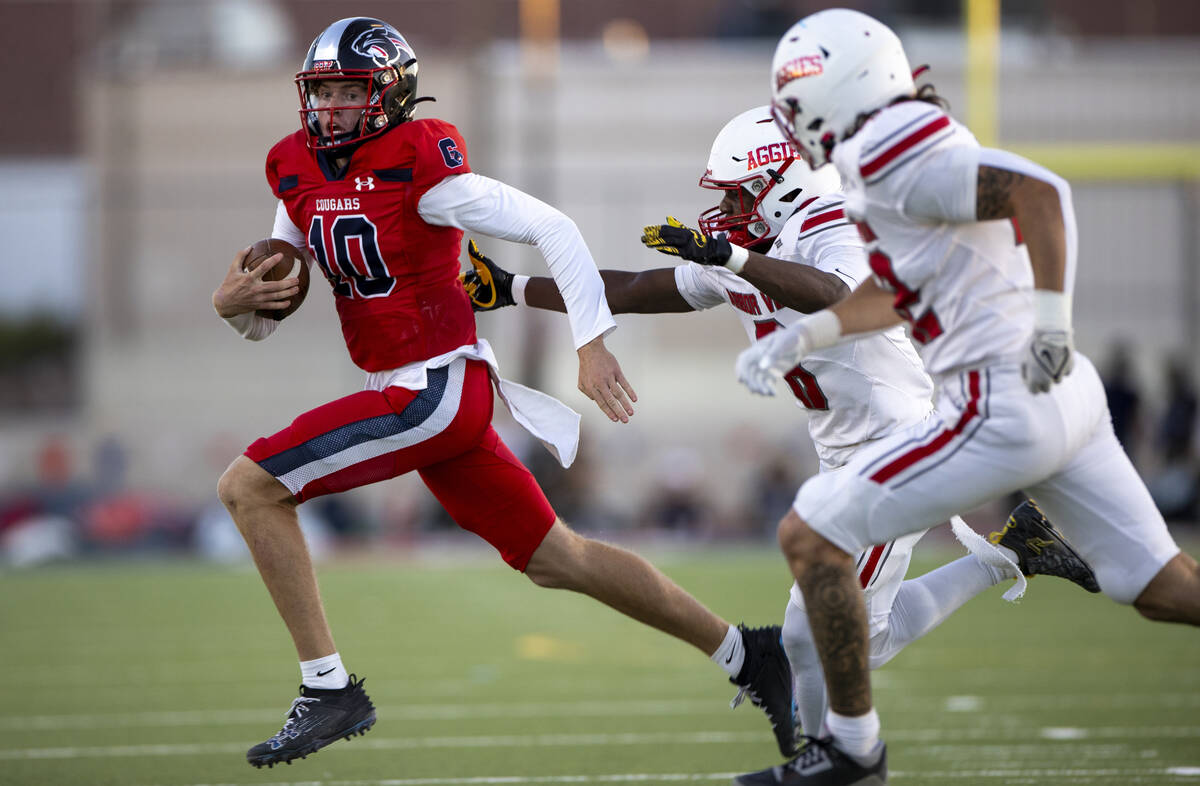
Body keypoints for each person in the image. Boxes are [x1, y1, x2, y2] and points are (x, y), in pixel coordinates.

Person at [210, 17, 795, 769]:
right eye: (319, 91)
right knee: (561, 558)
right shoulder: (294, 170)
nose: (329, 108)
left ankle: (327, 688)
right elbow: (269, 312)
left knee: (249, 487)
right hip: (412, 395)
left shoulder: (417, 161)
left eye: (347, 92)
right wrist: (234, 312)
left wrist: (590, 343)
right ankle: (746, 653)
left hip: (433, 392)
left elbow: (554, 227)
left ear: (389, 94)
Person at [463, 105, 1099, 748]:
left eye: (741, 191)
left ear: (783, 181)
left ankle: (831, 757)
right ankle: (1017, 552)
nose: (729, 206)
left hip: (900, 447)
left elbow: (839, 295)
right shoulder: (747, 251)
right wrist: (514, 288)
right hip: (845, 457)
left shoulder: (834, 222)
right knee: (846, 637)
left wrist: (735, 258)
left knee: (819, 633)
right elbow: (632, 286)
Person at [732, 9, 1200, 784]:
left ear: (840, 87)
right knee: (1159, 587)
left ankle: (850, 751)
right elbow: (905, 288)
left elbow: (1041, 196)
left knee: (811, 535)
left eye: (796, 98)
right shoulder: (898, 140)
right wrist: (806, 337)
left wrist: (1053, 318)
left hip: (1002, 403)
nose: (790, 117)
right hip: (1067, 398)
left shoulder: (882, 149)